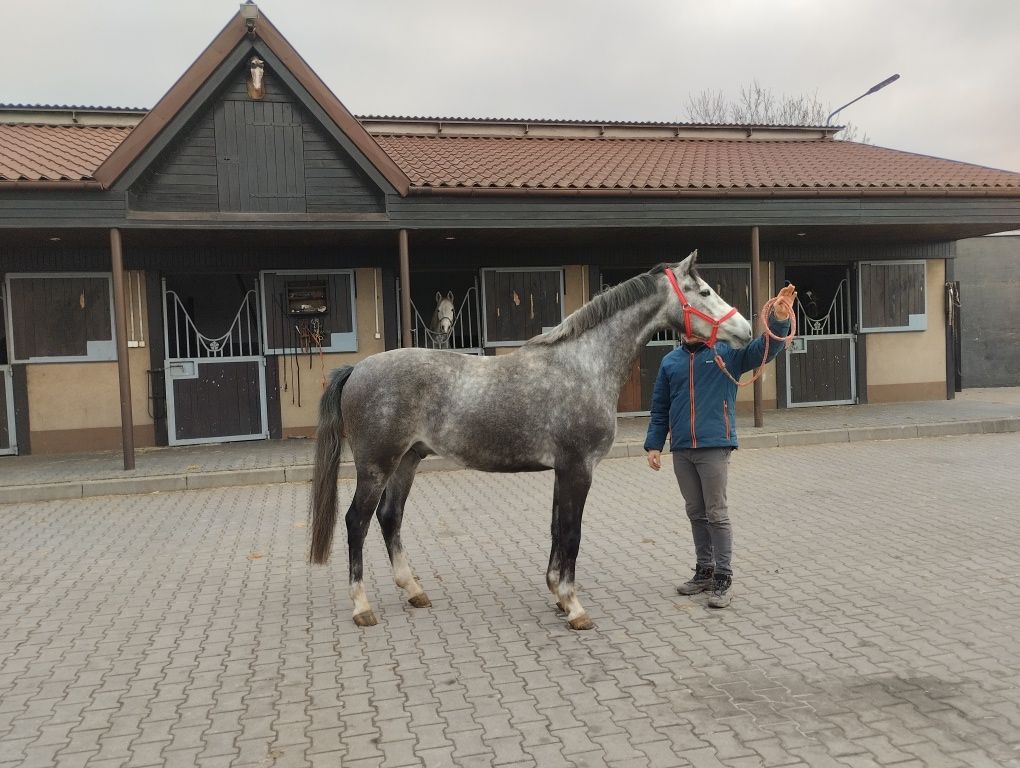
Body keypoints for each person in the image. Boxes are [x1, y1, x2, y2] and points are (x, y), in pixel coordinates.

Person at [645, 283, 796, 608]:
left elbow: (763, 351)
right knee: (695, 512)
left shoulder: (726, 351)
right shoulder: (670, 362)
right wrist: (654, 444)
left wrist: (780, 319)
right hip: (682, 449)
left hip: (714, 445)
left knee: (716, 513)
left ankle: (723, 578)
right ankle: (704, 570)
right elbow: (660, 407)